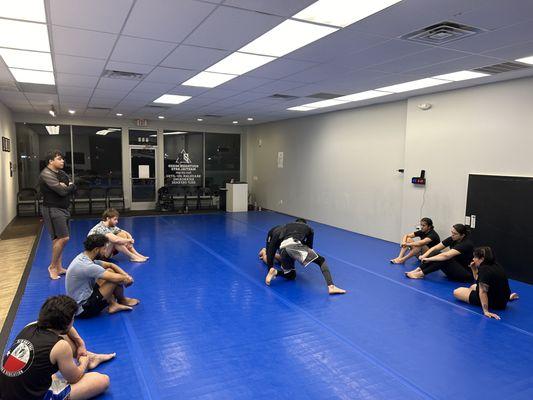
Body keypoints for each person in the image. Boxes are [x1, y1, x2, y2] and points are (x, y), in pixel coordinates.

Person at [0, 295, 114, 400]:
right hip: (32, 396)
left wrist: (80, 343)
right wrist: (84, 360)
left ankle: (87, 358)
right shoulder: (61, 346)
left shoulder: (30, 326)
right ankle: (90, 359)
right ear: (68, 322)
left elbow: (67, 330)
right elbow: (74, 378)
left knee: (65, 338)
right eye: (73, 319)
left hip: (6, 391)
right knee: (102, 380)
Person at [264, 218, 346, 295]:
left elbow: (274, 246)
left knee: (291, 275)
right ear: (304, 224)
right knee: (321, 260)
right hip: (294, 245)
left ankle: (275, 272)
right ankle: (331, 287)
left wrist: (269, 267)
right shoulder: (309, 229)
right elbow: (309, 247)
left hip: (282, 248)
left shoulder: (286, 226)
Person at [66, 234, 139, 318]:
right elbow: (117, 278)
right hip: (83, 309)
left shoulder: (84, 257)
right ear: (96, 249)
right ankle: (121, 300)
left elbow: (110, 265)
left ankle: (114, 304)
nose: (105, 252)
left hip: (80, 300)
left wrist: (126, 276)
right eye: (104, 249)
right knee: (114, 278)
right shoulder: (87, 266)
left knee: (110, 271)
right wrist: (127, 279)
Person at [39, 150, 77, 280]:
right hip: (52, 209)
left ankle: (59, 267)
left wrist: (68, 186)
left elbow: (73, 187)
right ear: (51, 161)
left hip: (64, 208)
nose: (62, 161)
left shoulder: (61, 173)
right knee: (63, 238)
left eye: (62, 159)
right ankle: (52, 267)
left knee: (58, 240)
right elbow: (61, 191)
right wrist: (66, 187)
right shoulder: (46, 174)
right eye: (59, 159)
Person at [453, 247, 519, 319]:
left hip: (495, 303)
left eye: (475, 257)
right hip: (503, 299)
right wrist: (474, 269)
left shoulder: (484, 270)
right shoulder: (495, 264)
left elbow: (483, 292)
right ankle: (508, 297)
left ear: (482, 259)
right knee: (472, 286)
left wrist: (486, 311)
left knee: (457, 292)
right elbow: (480, 280)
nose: (473, 259)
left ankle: (488, 305)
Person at [405, 224, 474, 281]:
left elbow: (446, 255)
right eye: (452, 232)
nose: (452, 235)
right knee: (435, 251)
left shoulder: (466, 244)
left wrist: (429, 259)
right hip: (454, 269)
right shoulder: (452, 238)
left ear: (462, 235)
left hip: (465, 275)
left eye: (455, 234)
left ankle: (420, 274)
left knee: (445, 259)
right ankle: (418, 270)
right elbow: (435, 248)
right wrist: (424, 256)